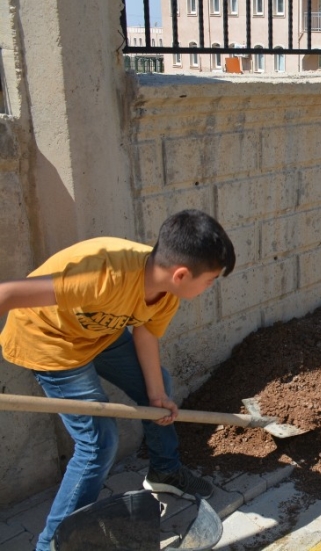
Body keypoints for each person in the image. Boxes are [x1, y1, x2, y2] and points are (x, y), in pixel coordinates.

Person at [0, 209, 236, 551]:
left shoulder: (167, 291)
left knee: (160, 387)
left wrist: (155, 398)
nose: (210, 287)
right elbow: (7, 293)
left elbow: (145, 333)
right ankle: (51, 544)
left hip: (99, 333)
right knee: (99, 441)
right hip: (52, 342)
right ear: (182, 274)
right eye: (210, 280)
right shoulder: (102, 274)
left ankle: (164, 471)